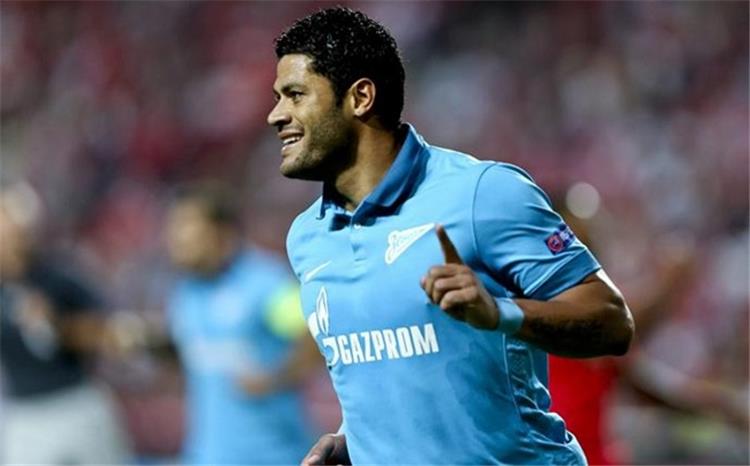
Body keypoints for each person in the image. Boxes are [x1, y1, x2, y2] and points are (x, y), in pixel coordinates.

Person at [266, 7, 634, 465]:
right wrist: (355, 441)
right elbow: (386, 369)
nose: (275, 115)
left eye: (295, 95)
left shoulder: (484, 194)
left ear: (360, 97)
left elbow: (612, 323)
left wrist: (499, 313)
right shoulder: (307, 238)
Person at [163, 182, 320, 465]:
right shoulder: (187, 293)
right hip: (206, 456)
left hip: (271, 455)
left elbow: (313, 331)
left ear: (222, 232)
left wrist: (276, 379)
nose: (175, 239)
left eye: (186, 227)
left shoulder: (264, 283)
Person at [0, 184, 131, 465]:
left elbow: (109, 333)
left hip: (76, 402)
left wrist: (58, 327)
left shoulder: (59, 278)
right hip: (25, 415)